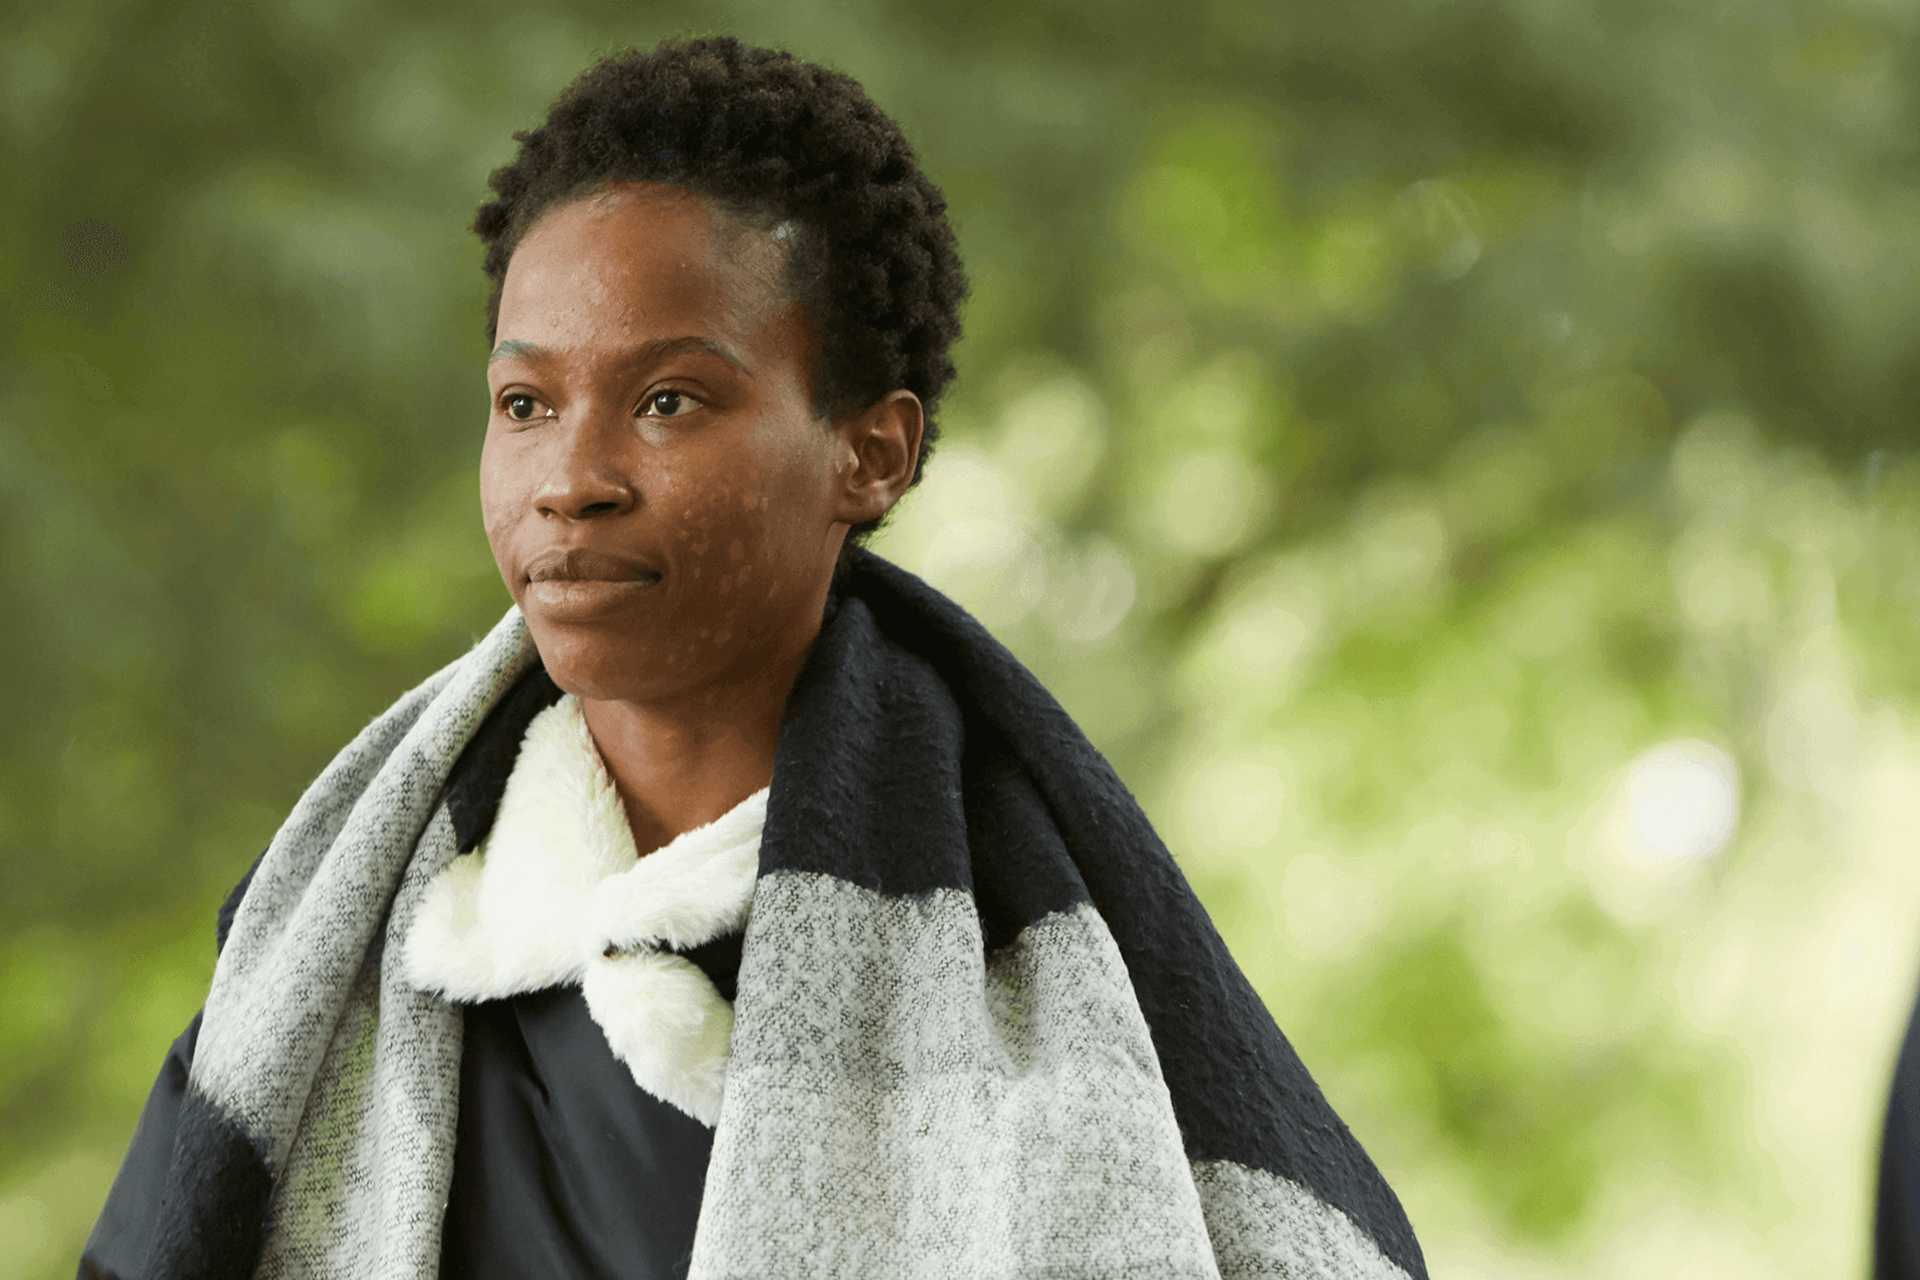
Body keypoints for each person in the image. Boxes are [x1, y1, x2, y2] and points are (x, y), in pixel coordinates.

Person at [79, 36, 1427, 1280]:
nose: (572, 478)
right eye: (526, 404)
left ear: (870, 452)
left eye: (669, 399)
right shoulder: (346, 937)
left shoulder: (1046, 992)